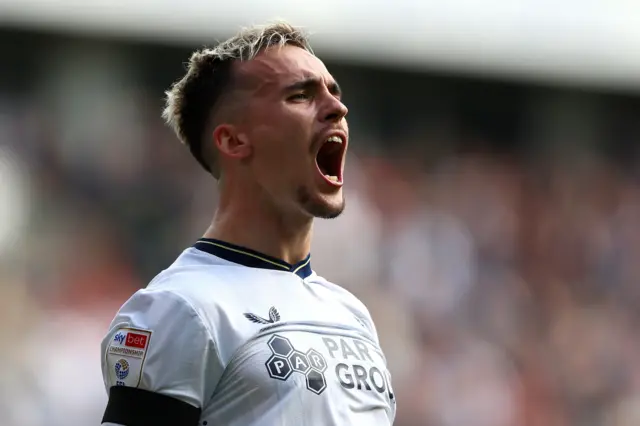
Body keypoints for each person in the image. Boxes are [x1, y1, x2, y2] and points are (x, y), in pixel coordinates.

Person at [100, 21, 396, 426]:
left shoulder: (353, 316)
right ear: (234, 141)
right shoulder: (180, 308)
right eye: (301, 95)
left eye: (334, 92)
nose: (337, 108)